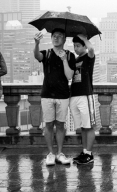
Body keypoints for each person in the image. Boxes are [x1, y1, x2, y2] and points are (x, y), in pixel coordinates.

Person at [33, 28, 76, 166]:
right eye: (54, 36)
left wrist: (64, 60)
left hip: (62, 95)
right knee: (49, 124)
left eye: (60, 36)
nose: (56, 38)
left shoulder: (70, 55)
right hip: (47, 94)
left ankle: (60, 153)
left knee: (60, 124)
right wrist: (36, 43)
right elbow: (37, 56)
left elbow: (69, 76)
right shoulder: (47, 53)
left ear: (64, 40)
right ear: (51, 38)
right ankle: (51, 153)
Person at [70, 34, 96, 165]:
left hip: (85, 94)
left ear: (84, 46)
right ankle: (84, 151)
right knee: (83, 127)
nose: (76, 48)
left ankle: (89, 154)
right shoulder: (75, 60)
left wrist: (85, 39)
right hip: (74, 95)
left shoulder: (88, 58)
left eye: (78, 46)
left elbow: (91, 50)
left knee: (89, 126)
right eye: (74, 46)